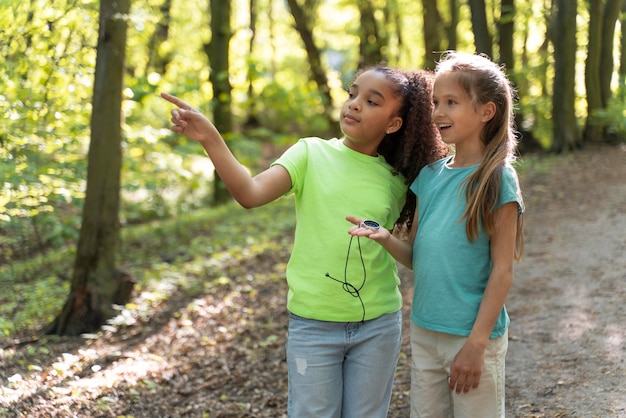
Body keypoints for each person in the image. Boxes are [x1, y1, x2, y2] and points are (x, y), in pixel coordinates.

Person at [161, 65, 447, 418]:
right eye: (352, 93)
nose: (355, 104)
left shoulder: (399, 180)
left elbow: (417, 255)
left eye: (371, 101)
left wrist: (387, 238)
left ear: (393, 124)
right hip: (313, 325)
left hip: (378, 326)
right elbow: (250, 194)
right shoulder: (310, 153)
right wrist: (210, 138)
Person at [348, 51, 525, 418]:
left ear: (486, 112)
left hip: (473, 337)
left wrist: (476, 345)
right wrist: (384, 237)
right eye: (435, 103)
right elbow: (419, 257)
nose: (438, 112)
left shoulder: (496, 180)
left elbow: (502, 272)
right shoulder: (429, 176)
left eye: (451, 102)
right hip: (426, 332)